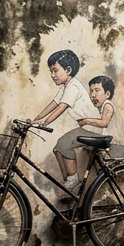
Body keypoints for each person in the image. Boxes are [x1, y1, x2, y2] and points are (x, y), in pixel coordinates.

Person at [27, 49, 102, 191]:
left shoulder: (73, 87)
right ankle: (68, 181)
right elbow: (53, 104)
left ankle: (73, 179)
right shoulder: (65, 86)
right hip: (87, 128)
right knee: (58, 149)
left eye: (55, 70)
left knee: (64, 144)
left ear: (68, 70)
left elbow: (61, 107)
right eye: (51, 71)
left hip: (93, 128)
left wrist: (45, 122)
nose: (52, 75)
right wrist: (36, 119)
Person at [74, 76, 124, 159]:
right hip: (112, 142)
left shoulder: (107, 105)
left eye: (97, 90)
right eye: (91, 91)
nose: (93, 95)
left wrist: (86, 121)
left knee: (107, 166)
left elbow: (104, 123)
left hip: (118, 144)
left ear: (107, 94)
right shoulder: (102, 107)